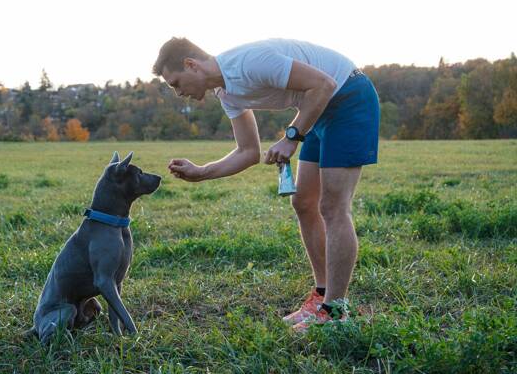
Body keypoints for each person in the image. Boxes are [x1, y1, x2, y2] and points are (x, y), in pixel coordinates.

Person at [152, 37, 380, 333]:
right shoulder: (226, 94)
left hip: (347, 97)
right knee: (303, 203)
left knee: (333, 207)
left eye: (175, 83)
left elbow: (323, 85)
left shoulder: (248, 62)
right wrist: (201, 172)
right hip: (318, 109)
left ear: (191, 64)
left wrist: (292, 137)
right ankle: (322, 297)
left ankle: (335, 312)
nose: (178, 92)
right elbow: (247, 152)